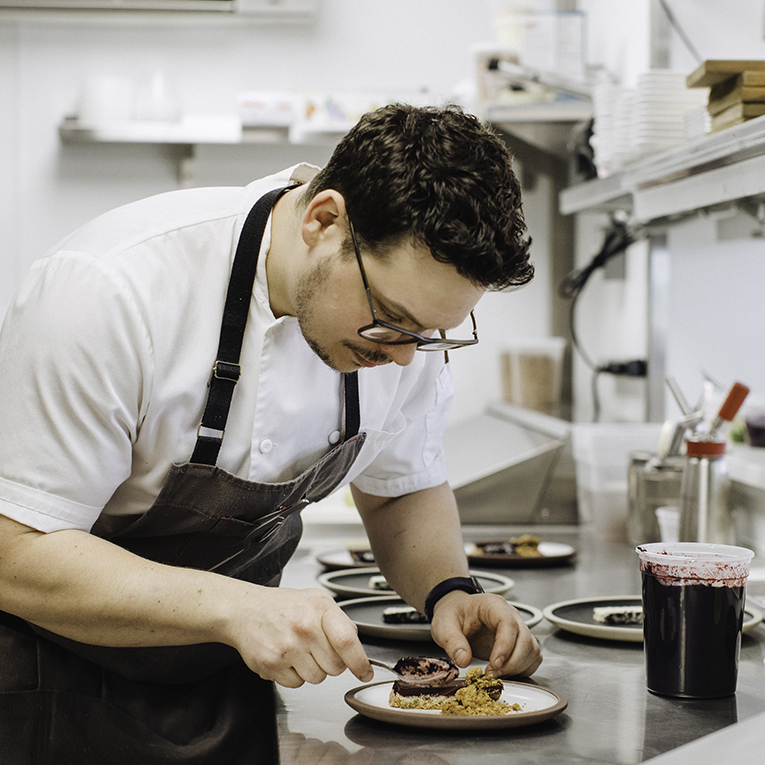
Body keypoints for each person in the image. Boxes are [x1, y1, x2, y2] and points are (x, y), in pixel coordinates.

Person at [0, 104, 540, 712]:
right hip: (56, 688)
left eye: (432, 334)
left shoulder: (402, 339)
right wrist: (235, 607)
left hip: (235, 691)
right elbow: (14, 551)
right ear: (323, 220)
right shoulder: (107, 291)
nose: (408, 359)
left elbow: (399, 490)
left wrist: (448, 591)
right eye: (393, 323)